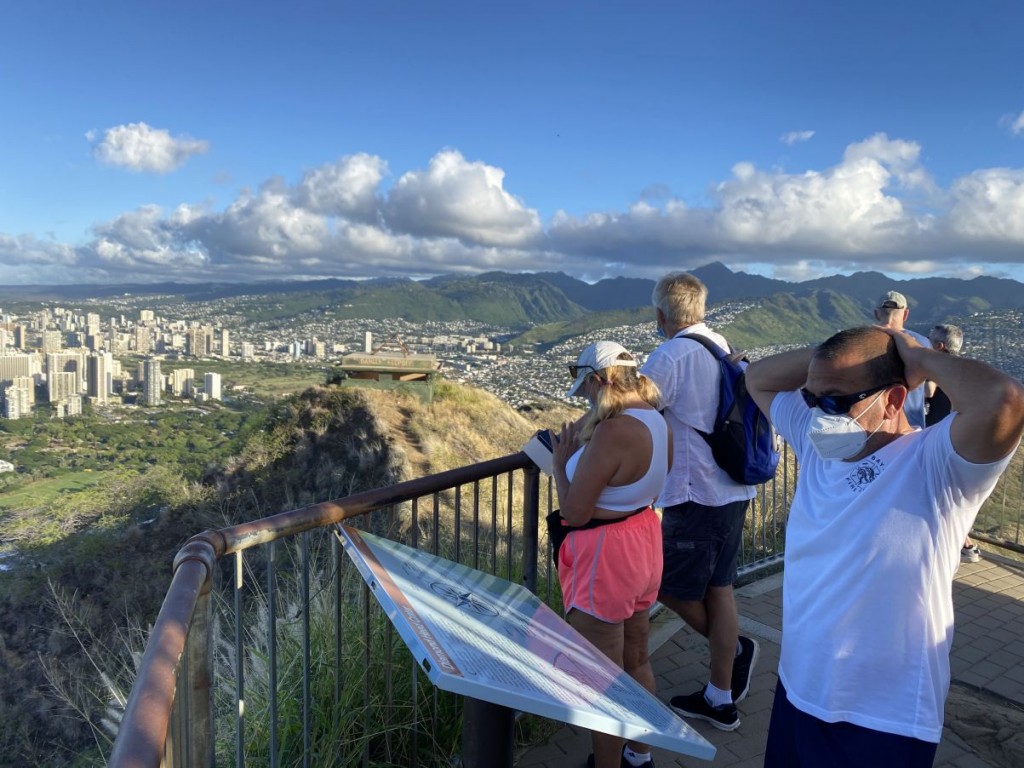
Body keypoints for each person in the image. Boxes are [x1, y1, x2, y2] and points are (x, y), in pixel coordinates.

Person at [744, 325, 1024, 768]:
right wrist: (844, 351)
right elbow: (757, 377)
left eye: (834, 401)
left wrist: (916, 356)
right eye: (812, 399)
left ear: (893, 399)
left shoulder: (936, 465)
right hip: (799, 688)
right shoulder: (821, 447)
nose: (817, 413)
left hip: (882, 717)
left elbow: (1003, 399)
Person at [638, 272, 759, 732]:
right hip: (733, 488)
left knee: (663, 584)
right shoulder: (719, 344)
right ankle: (719, 695)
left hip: (696, 492)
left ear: (661, 315)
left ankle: (731, 653)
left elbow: (634, 407)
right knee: (719, 588)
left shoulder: (671, 354)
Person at [552, 340, 673, 768]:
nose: (584, 398)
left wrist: (559, 466)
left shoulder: (614, 430)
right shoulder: (656, 420)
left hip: (604, 554)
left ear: (599, 381)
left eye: (585, 389)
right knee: (637, 657)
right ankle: (640, 755)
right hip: (642, 539)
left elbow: (575, 512)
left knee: (598, 675)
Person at [926, 324, 981, 564]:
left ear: (939, 346)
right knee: (952, 493)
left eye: (930, 342)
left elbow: (928, 393)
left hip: (935, 435)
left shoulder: (939, 368)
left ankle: (964, 544)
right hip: (958, 436)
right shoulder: (966, 369)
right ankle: (965, 544)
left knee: (939, 491)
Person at [873, 290, 930, 428]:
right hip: (911, 425)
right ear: (905, 314)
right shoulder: (922, 343)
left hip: (873, 425)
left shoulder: (861, 342)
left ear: (876, 313)